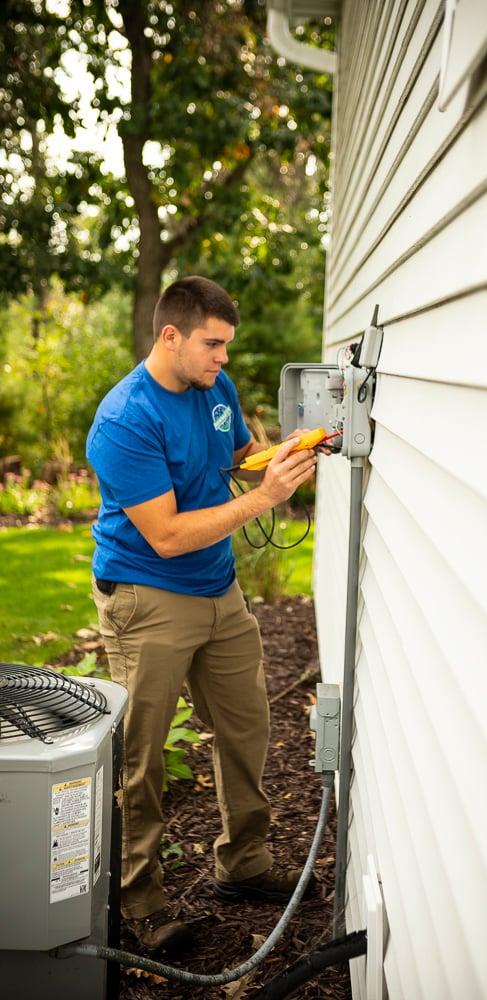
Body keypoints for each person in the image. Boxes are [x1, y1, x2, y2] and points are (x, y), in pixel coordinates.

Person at [86, 275, 320, 956]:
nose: (223, 359)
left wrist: (286, 454)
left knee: (246, 732)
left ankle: (242, 864)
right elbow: (164, 534)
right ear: (170, 336)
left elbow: (240, 455)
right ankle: (141, 902)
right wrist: (264, 500)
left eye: (226, 346)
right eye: (212, 345)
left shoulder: (214, 389)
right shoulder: (126, 418)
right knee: (144, 758)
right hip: (148, 595)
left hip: (219, 592)